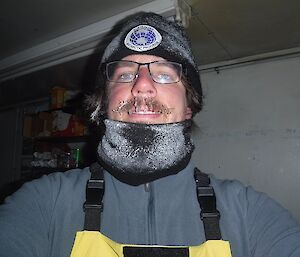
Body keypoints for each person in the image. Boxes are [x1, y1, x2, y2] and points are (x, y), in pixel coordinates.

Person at [0, 12, 300, 257]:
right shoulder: (45, 203)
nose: (142, 85)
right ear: (103, 104)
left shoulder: (248, 213)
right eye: (126, 74)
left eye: (165, 74)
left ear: (189, 107)